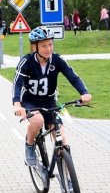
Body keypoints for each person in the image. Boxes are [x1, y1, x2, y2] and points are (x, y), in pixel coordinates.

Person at [12, 26, 92, 166]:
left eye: (50, 44)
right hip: (30, 101)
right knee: (37, 121)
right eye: (44, 46)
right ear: (35, 47)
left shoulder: (57, 60)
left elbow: (73, 77)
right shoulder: (27, 62)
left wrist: (84, 92)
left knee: (62, 137)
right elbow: (17, 84)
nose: (49, 49)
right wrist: (17, 104)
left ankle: (67, 174)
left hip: (49, 101)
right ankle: (29, 146)